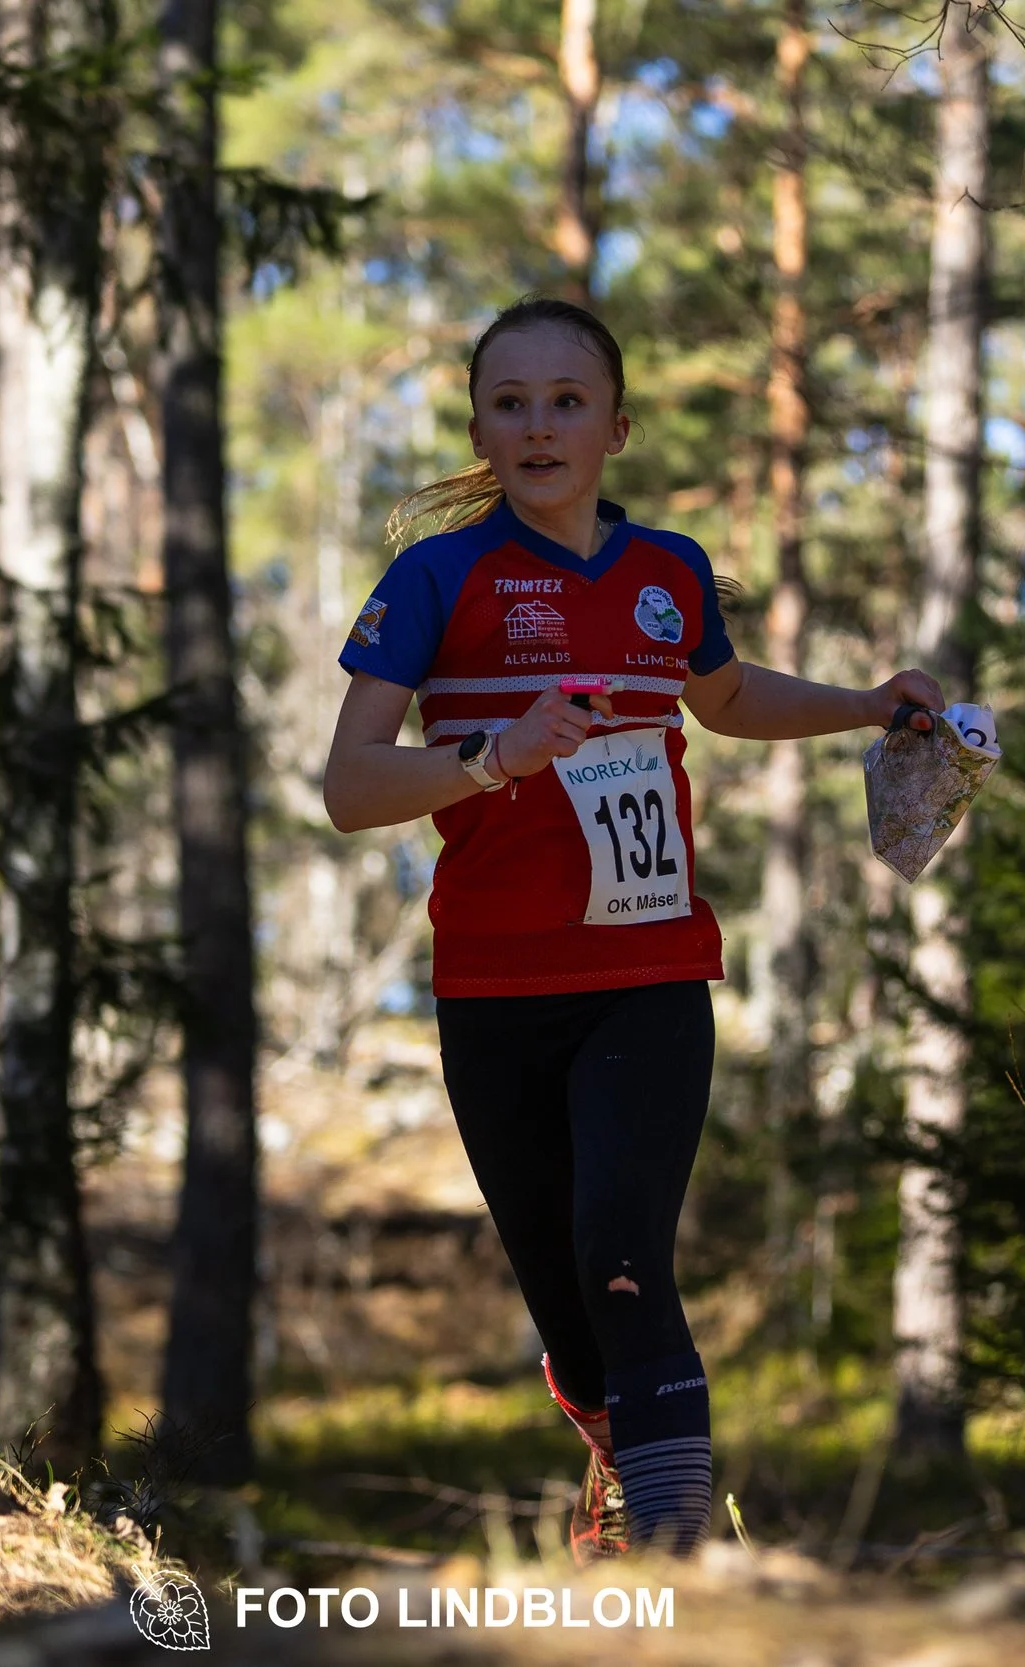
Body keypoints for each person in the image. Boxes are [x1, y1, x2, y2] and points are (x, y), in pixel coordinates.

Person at [321, 296, 943, 1560]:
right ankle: (616, 1454)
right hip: (491, 986)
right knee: (561, 1289)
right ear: (481, 429)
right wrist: (493, 755)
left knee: (620, 1247)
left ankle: (674, 1550)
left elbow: (721, 695)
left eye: (566, 401)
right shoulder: (439, 576)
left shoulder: (665, 571)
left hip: (648, 968)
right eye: (510, 402)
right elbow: (348, 787)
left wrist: (867, 705)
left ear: (616, 424)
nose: (539, 425)